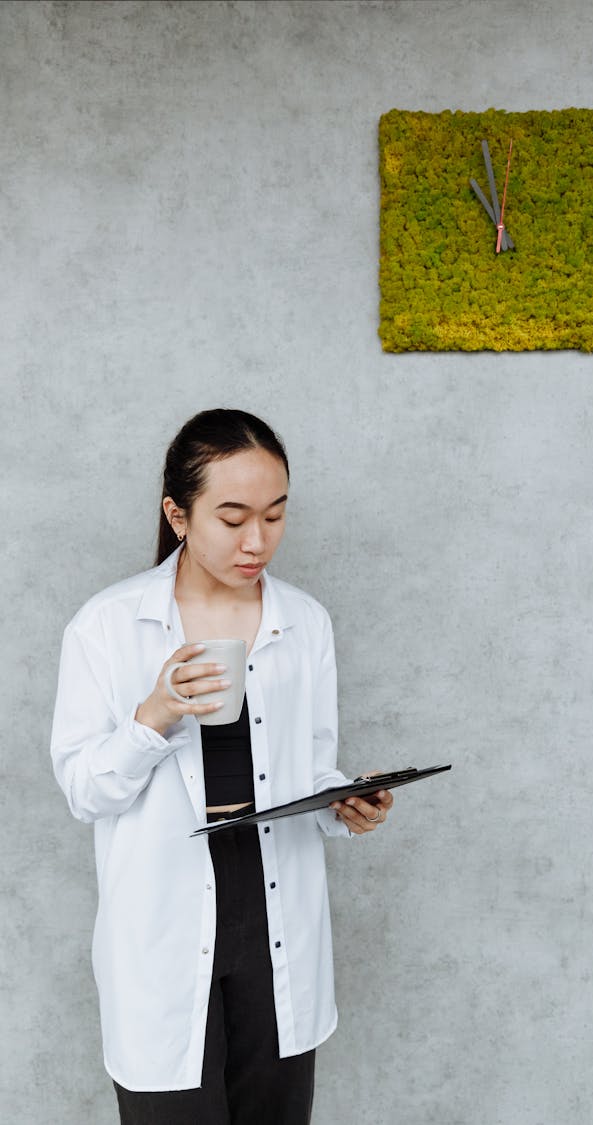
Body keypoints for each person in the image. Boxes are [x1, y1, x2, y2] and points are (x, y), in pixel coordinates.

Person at [50, 408, 393, 1124]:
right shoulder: (107, 627)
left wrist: (344, 805)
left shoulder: (306, 622)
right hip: (163, 926)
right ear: (178, 513)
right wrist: (154, 714)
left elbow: (310, 769)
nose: (257, 540)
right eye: (232, 517)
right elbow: (85, 790)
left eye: (274, 515)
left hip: (276, 925)